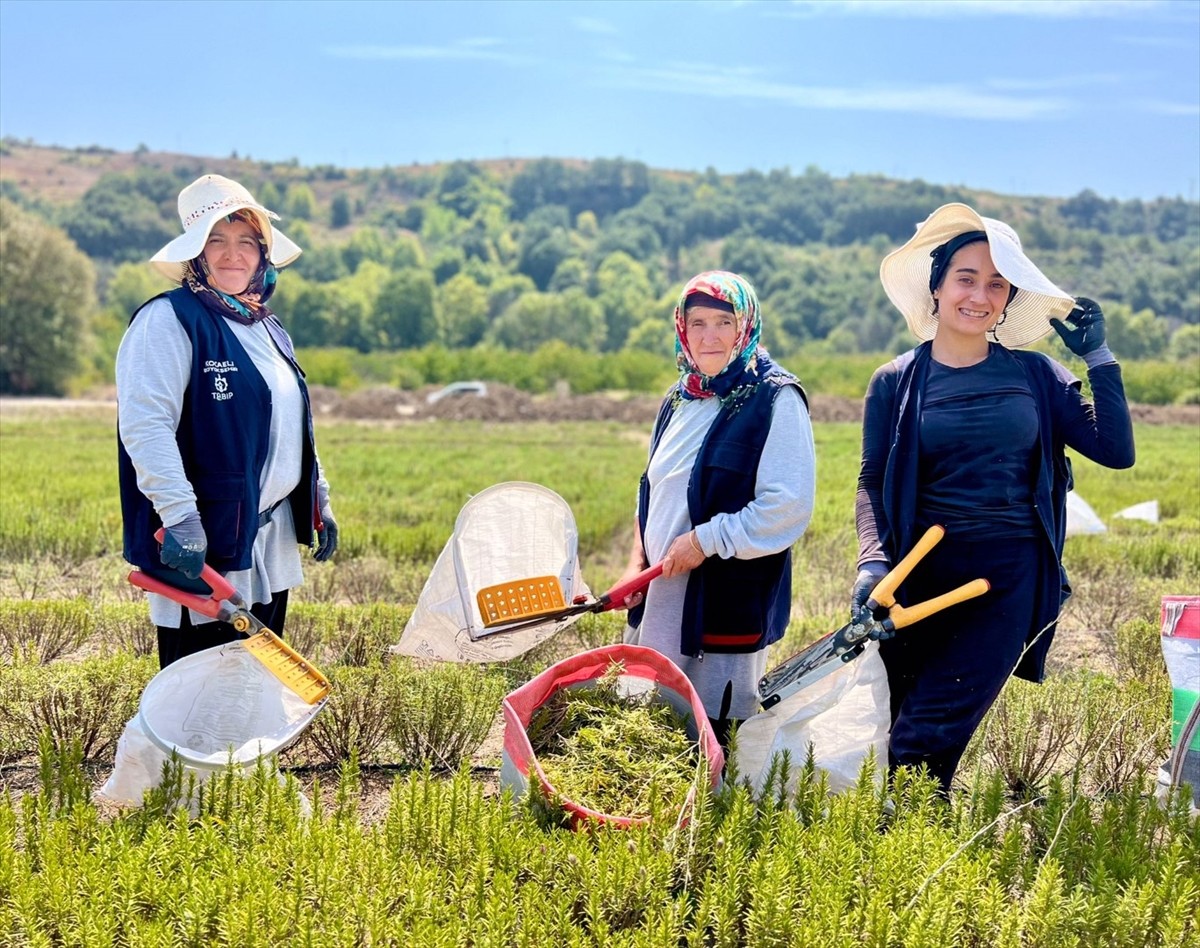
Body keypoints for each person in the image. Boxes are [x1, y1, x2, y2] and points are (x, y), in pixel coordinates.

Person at [854, 203, 1135, 796]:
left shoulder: (1036, 377)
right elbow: (872, 480)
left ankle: (904, 857)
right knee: (901, 722)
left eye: (996, 283)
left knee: (924, 735)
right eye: (965, 278)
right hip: (916, 578)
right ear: (936, 287)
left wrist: (1098, 358)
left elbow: (1115, 450)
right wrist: (872, 562)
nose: (979, 295)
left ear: (1008, 299)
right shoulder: (895, 381)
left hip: (1006, 580)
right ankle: (913, 854)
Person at [117, 174, 339, 670]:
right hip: (207, 542)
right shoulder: (168, 320)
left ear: (262, 255)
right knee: (196, 695)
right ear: (195, 253)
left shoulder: (265, 326)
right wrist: (180, 517)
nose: (232, 254)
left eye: (246, 242)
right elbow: (146, 425)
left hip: (268, 540)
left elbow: (290, 420)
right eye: (215, 241)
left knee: (252, 690)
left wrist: (317, 496)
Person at [620, 270, 816, 752]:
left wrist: (704, 541)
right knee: (649, 724)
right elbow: (652, 490)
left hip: (722, 596)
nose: (709, 336)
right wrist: (636, 561)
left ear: (745, 326)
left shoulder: (774, 398)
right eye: (697, 322)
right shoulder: (679, 397)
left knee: (713, 734)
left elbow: (786, 507)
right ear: (681, 328)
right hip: (661, 593)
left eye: (723, 322)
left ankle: (712, 819)